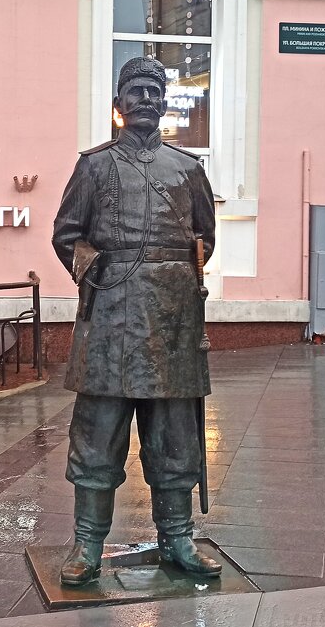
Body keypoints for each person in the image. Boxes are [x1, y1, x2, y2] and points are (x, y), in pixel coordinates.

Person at [52, 56, 218, 585]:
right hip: (111, 321)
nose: (145, 99)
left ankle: (177, 537)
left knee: (175, 438)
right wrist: (100, 272)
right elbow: (67, 234)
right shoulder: (94, 167)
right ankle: (87, 544)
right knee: (97, 434)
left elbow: (204, 238)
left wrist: (174, 282)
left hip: (173, 323)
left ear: (164, 104)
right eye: (135, 92)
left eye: (154, 91)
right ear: (119, 106)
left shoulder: (188, 169)